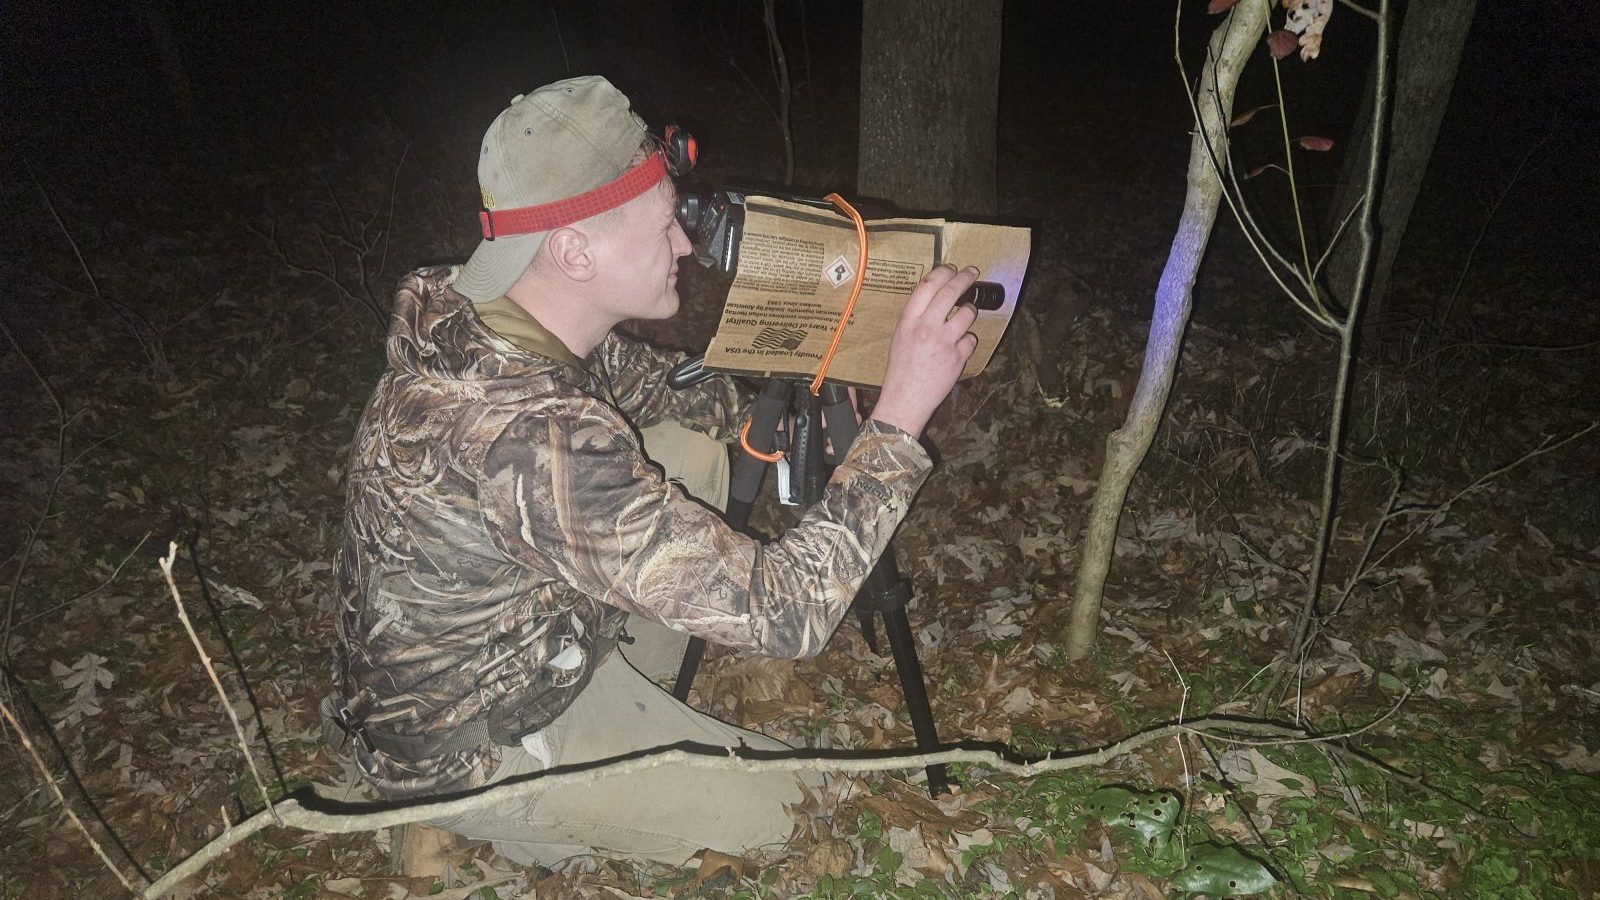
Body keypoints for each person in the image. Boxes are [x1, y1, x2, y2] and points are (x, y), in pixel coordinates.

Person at [329, 75, 981, 872]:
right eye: (665, 225)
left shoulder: (498, 318)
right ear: (575, 250)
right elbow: (788, 616)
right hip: (474, 735)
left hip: (526, 635)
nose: (684, 245)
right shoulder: (527, 438)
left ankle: (614, 696)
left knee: (695, 454)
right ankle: (451, 815)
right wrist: (899, 419)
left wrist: (814, 344)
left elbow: (696, 404)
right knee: (798, 811)